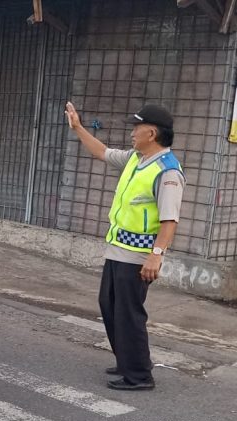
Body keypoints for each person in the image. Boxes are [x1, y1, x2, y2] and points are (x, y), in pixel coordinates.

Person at [65, 102, 184, 391]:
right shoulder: (136, 158)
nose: (132, 132)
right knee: (109, 304)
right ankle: (127, 360)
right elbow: (101, 152)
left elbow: (170, 220)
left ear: (152, 133)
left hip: (139, 255)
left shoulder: (167, 171)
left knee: (129, 313)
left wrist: (155, 256)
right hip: (118, 247)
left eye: (136, 127)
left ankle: (140, 375)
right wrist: (78, 127)